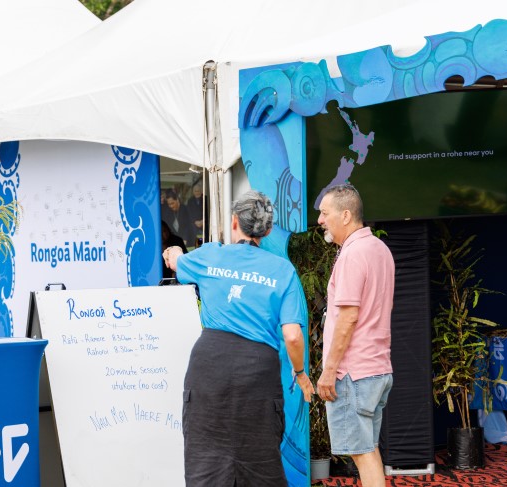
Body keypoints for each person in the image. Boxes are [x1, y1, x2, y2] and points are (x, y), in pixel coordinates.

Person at [164, 190, 315, 486]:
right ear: (268, 230)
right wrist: (300, 373)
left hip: (208, 363)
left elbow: (177, 263)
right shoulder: (283, 271)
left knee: (205, 456)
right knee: (260, 460)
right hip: (258, 368)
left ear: (235, 221)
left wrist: (173, 253)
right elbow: (293, 336)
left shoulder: (211, 254)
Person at [315, 183, 395, 487]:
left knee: (362, 453)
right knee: (368, 450)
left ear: (345, 215)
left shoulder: (352, 254)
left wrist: (329, 371)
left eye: (324, 213)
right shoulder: (380, 249)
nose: (320, 220)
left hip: (353, 374)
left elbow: (348, 317)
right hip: (377, 369)